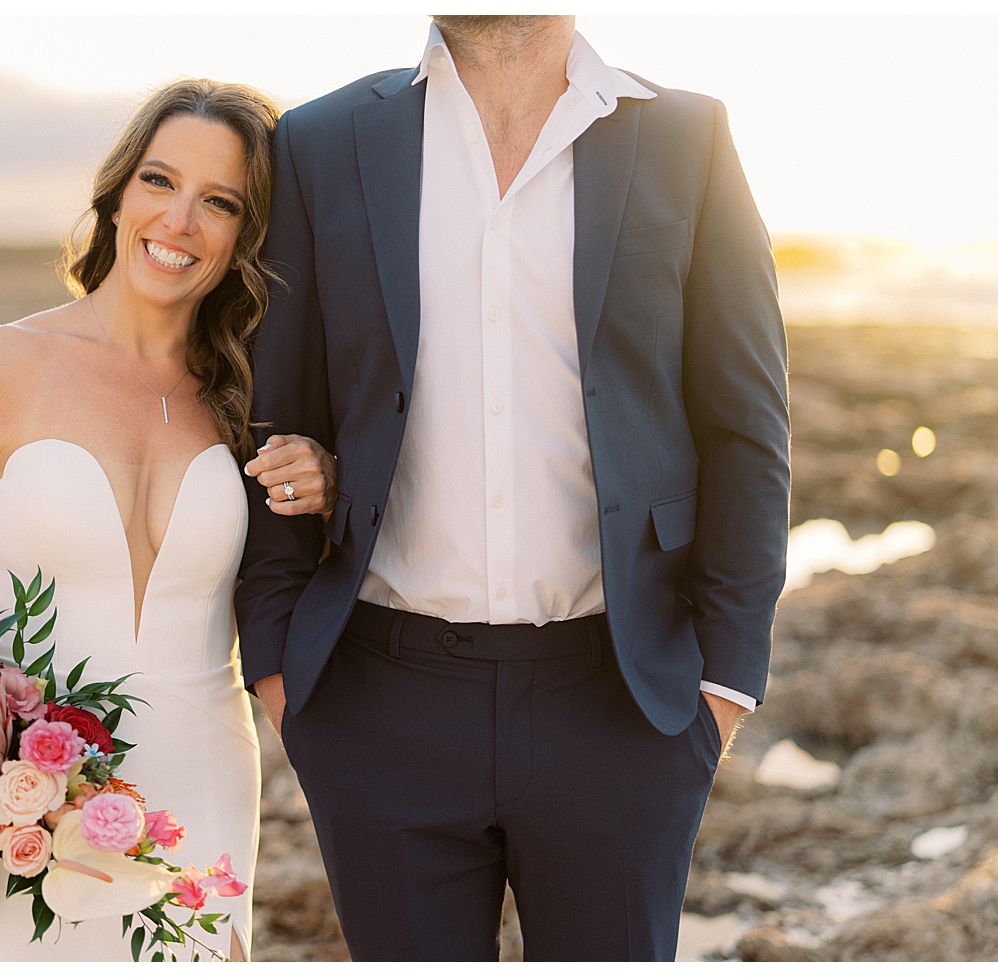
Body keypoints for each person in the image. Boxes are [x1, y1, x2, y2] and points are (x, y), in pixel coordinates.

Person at [237, 15, 790, 962]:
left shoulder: (687, 138)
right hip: (378, 703)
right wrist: (284, 672)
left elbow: (746, 426)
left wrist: (724, 683)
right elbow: (271, 413)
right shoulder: (322, 141)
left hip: (621, 707)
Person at [0, 78, 337, 962]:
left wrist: (327, 477)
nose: (179, 222)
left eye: (220, 202)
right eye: (159, 182)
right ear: (117, 192)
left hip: (202, 783)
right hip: (15, 797)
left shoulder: (255, 395)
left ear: (248, 235)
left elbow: (317, 580)